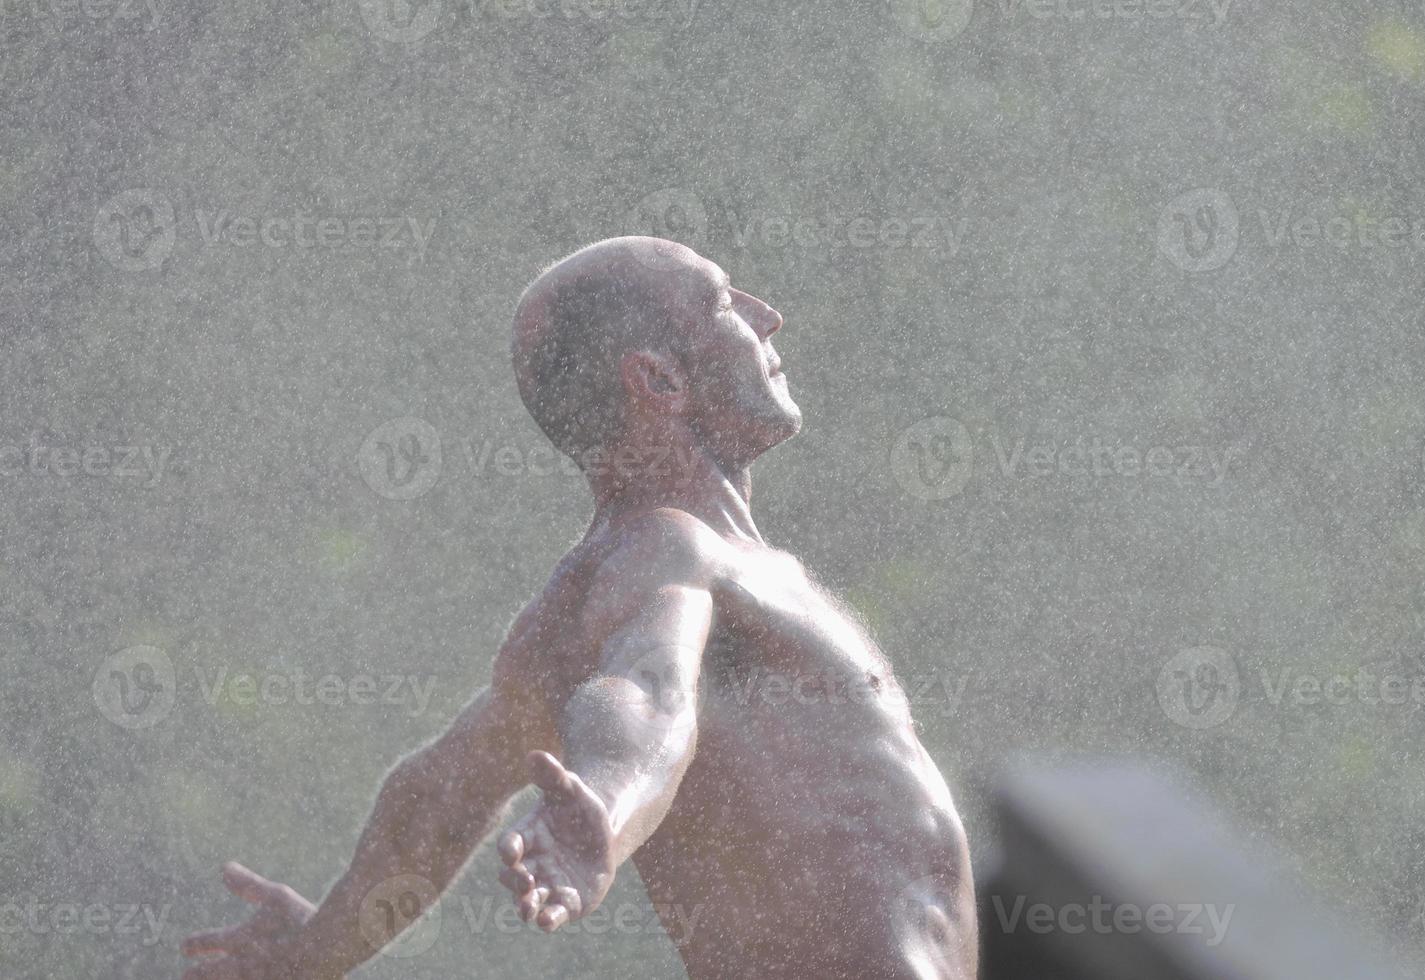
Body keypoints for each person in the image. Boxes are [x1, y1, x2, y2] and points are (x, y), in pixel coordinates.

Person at [181, 236, 977, 979]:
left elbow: (445, 788)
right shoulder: (667, 551)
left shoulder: (606, 596)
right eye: (727, 304)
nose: (770, 318)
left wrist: (320, 944)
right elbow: (647, 691)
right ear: (658, 380)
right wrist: (605, 804)